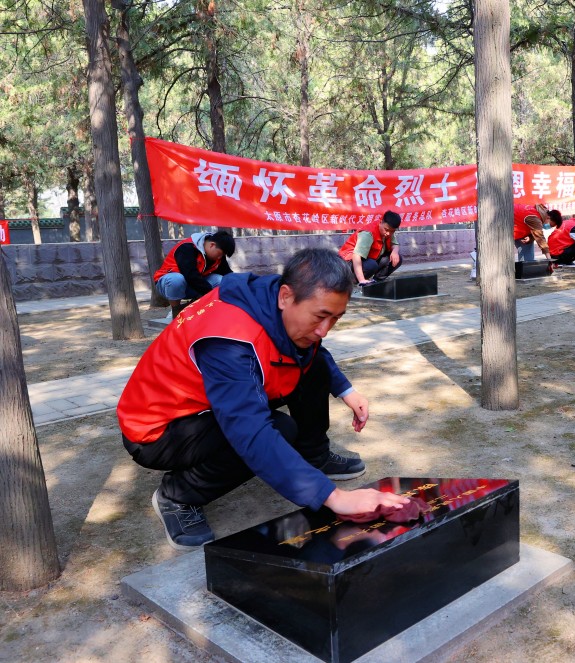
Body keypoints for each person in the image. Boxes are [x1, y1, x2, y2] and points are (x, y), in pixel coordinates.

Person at [117, 248, 410, 550]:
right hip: (159, 429)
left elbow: (314, 352)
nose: (325, 330)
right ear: (285, 296)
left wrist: (347, 390)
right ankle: (178, 494)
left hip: (205, 402)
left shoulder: (275, 299)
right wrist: (334, 497)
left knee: (314, 363)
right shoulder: (229, 338)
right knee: (278, 431)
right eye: (320, 316)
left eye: (335, 318)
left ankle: (314, 456)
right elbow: (249, 430)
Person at [154, 230, 235, 318]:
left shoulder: (217, 256)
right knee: (177, 279)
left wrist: (243, 282)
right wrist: (210, 293)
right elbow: (190, 275)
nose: (220, 257)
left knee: (220, 280)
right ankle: (175, 310)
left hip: (192, 286)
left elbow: (227, 274)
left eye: (223, 255)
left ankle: (192, 306)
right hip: (168, 285)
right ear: (212, 245)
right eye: (220, 254)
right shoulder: (187, 247)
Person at [338, 211, 403, 285]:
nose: (388, 233)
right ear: (381, 222)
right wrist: (361, 280)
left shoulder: (388, 232)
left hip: (367, 260)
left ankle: (376, 282)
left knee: (397, 258)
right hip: (347, 263)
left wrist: (394, 252)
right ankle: (350, 283)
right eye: (386, 230)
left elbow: (395, 244)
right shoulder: (368, 233)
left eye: (392, 231)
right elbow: (356, 256)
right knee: (371, 265)